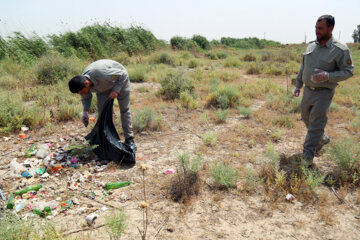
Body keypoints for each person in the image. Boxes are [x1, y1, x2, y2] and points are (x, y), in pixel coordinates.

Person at [293, 15, 354, 166]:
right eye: (316, 27)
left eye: (320, 28)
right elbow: (304, 66)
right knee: (305, 116)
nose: (317, 31)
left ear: (330, 28)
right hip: (308, 90)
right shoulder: (312, 45)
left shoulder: (340, 49)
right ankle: (322, 138)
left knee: (315, 123)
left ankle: (307, 156)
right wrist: (298, 85)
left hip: (324, 92)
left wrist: (328, 76)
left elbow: (348, 71)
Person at [68, 59, 136, 150]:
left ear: (86, 83)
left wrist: (116, 90)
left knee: (124, 110)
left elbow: (123, 74)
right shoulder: (82, 83)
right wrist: (85, 112)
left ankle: (129, 139)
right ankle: (108, 139)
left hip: (119, 81)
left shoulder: (102, 73)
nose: (81, 94)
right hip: (103, 88)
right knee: (103, 113)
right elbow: (86, 97)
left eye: (81, 92)